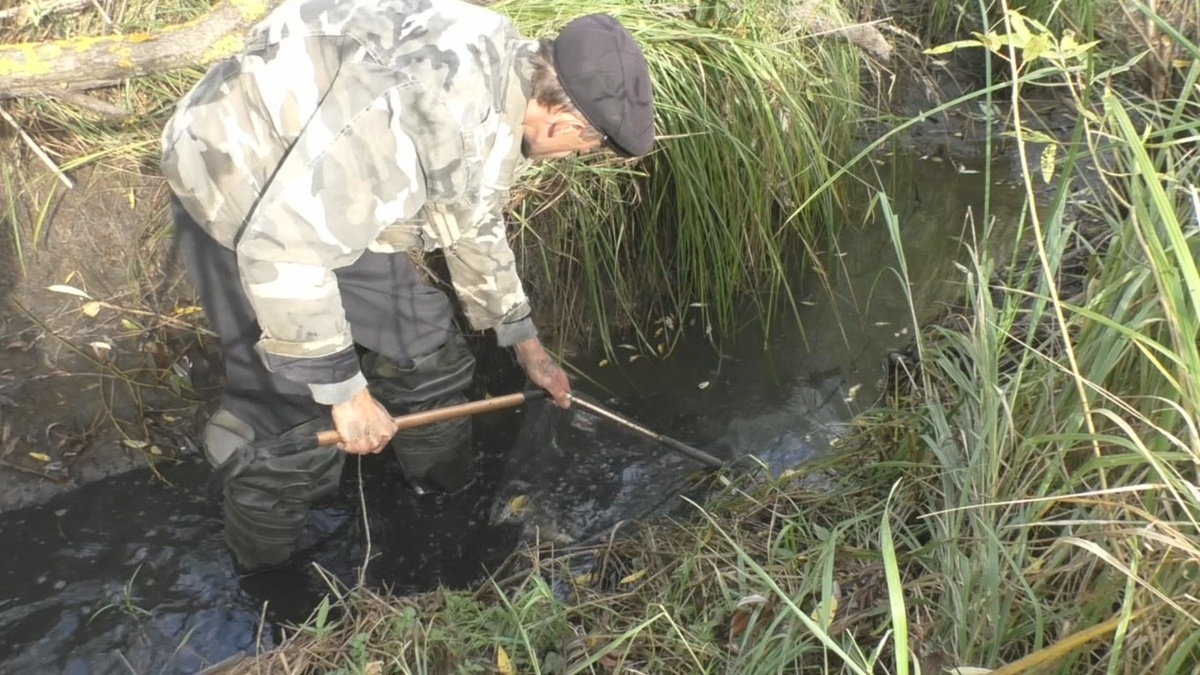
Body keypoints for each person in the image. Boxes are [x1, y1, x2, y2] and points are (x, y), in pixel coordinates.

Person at [159, 0, 655, 573]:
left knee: (423, 346)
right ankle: (266, 576)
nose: (579, 155)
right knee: (290, 413)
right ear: (563, 122)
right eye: (588, 145)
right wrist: (345, 394)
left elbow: (472, 216)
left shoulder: (504, 82)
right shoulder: (422, 108)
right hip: (240, 184)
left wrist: (527, 345)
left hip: (333, 191)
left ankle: (444, 500)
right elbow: (284, 250)